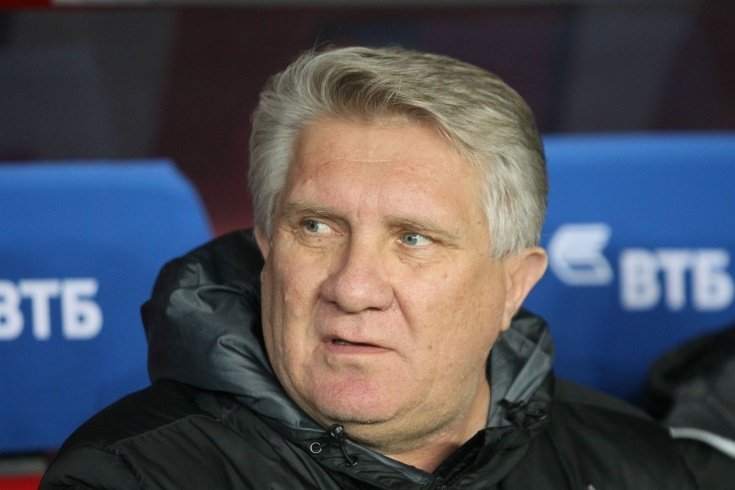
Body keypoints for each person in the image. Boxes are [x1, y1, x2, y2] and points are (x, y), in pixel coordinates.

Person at [41, 46, 697, 489]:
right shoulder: (129, 475)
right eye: (316, 227)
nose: (353, 288)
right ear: (266, 248)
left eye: (413, 238)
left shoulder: (631, 464)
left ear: (513, 284)